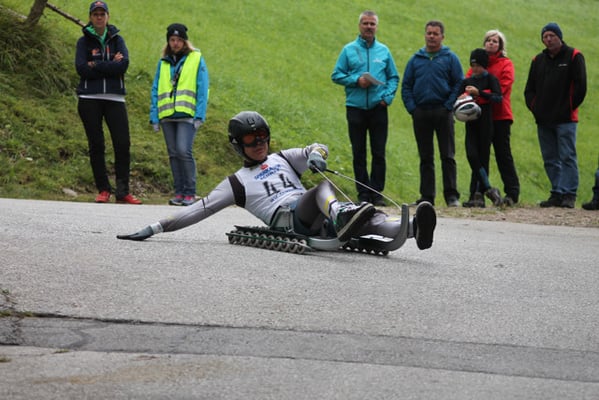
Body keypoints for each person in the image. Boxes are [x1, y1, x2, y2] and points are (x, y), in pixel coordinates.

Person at [117, 111, 437, 251]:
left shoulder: (281, 158)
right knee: (320, 190)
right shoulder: (236, 183)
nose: (259, 143)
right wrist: (155, 228)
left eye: (262, 136)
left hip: (320, 212)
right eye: (250, 139)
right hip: (290, 219)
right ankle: (341, 215)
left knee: (369, 217)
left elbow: (315, 147)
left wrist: (317, 155)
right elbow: (197, 209)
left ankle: (412, 228)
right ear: (237, 145)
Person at [75, 1, 141, 204]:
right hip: (89, 98)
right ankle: (103, 189)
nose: (99, 17)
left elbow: (123, 66)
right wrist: (110, 64)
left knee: (122, 143)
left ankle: (123, 192)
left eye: (102, 14)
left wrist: (95, 64)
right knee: (96, 144)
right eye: (95, 14)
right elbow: (81, 69)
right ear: (90, 17)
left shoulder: (118, 40)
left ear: (107, 17)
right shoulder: (83, 42)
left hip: (115, 98)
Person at [331, 10, 399, 206]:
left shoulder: (384, 51)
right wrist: (356, 80)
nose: (369, 27)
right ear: (359, 26)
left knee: (379, 152)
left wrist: (387, 97)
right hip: (355, 108)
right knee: (358, 152)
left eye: (372, 24)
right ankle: (362, 193)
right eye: (365, 23)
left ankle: (376, 193)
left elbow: (393, 77)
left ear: (376, 27)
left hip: (378, 107)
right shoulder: (349, 50)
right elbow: (336, 75)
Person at [524, 22, 587, 209]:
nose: (549, 39)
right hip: (543, 119)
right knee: (550, 158)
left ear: (560, 37)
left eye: (552, 35)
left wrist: (569, 107)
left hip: (566, 119)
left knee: (567, 156)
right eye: (545, 36)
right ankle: (557, 192)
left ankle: (569, 193)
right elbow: (529, 89)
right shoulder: (538, 60)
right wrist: (535, 108)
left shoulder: (574, 56)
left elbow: (581, 86)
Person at [401, 20, 463, 207]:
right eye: (429, 33)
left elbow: (458, 83)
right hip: (421, 112)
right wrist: (412, 108)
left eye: (435, 34)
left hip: (443, 112)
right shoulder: (415, 60)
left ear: (442, 36)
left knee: (447, 155)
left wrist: (448, 105)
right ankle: (427, 196)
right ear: (425, 35)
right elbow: (406, 85)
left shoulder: (450, 58)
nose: (432, 37)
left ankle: (451, 196)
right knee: (425, 157)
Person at [150, 23, 209, 206]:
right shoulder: (163, 62)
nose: (175, 43)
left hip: (187, 114)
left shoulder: (196, 58)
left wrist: (200, 115)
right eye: (172, 40)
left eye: (179, 40)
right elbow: (155, 89)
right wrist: (154, 116)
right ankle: (179, 192)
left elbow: (203, 88)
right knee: (173, 154)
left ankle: (190, 192)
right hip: (167, 115)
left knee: (184, 151)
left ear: (185, 41)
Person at [466, 30, 520, 206]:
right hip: (479, 116)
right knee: (480, 155)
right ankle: (477, 193)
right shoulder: (477, 63)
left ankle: (512, 192)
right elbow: (468, 84)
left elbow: (502, 89)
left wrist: (479, 94)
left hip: (500, 115)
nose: (491, 43)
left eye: (495, 41)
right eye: (488, 40)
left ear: (501, 46)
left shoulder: (506, 64)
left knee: (503, 154)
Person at [457, 49, 503, 207]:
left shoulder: (491, 79)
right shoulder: (466, 82)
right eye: (473, 65)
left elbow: (498, 98)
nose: (475, 69)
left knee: (483, 158)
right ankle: (489, 189)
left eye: (478, 65)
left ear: (484, 66)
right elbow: (457, 99)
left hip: (486, 123)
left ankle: (477, 195)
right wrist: (462, 98)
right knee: (472, 155)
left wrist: (480, 93)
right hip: (471, 123)